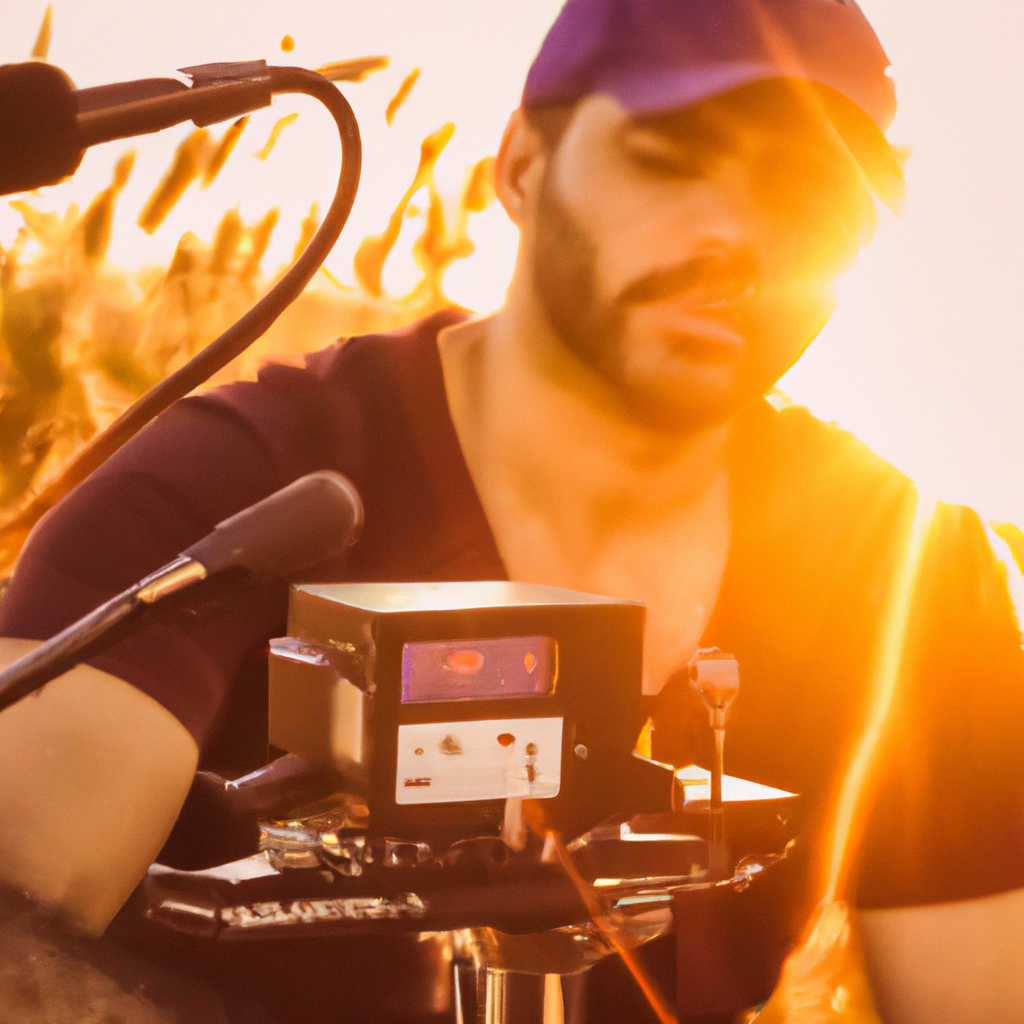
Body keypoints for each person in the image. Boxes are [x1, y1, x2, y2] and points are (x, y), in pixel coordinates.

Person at [1, 0, 1024, 1021]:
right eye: (674, 157)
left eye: (810, 194)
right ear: (521, 165)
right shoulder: (243, 482)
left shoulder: (905, 574)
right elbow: (16, 927)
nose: (739, 237)